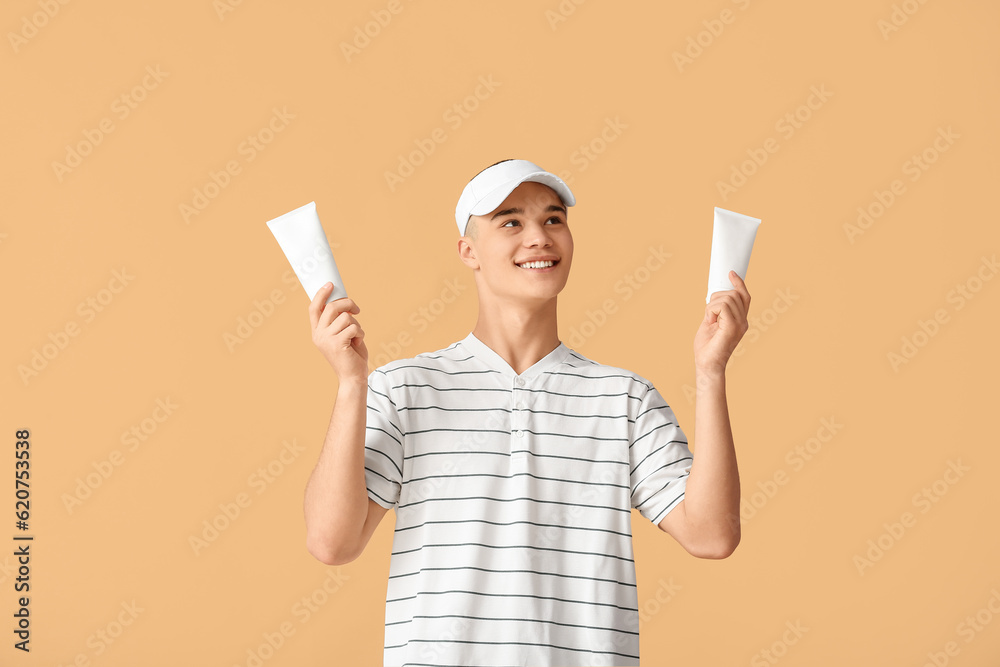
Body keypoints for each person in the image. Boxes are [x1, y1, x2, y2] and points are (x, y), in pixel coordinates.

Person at [303, 158, 750, 666]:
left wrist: (711, 373)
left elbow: (712, 535)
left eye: (553, 219)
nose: (539, 236)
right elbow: (331, 542)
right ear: (467, 251)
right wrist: (350, 384)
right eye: (511, 221)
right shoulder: (403, 390)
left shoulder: (624, 399)